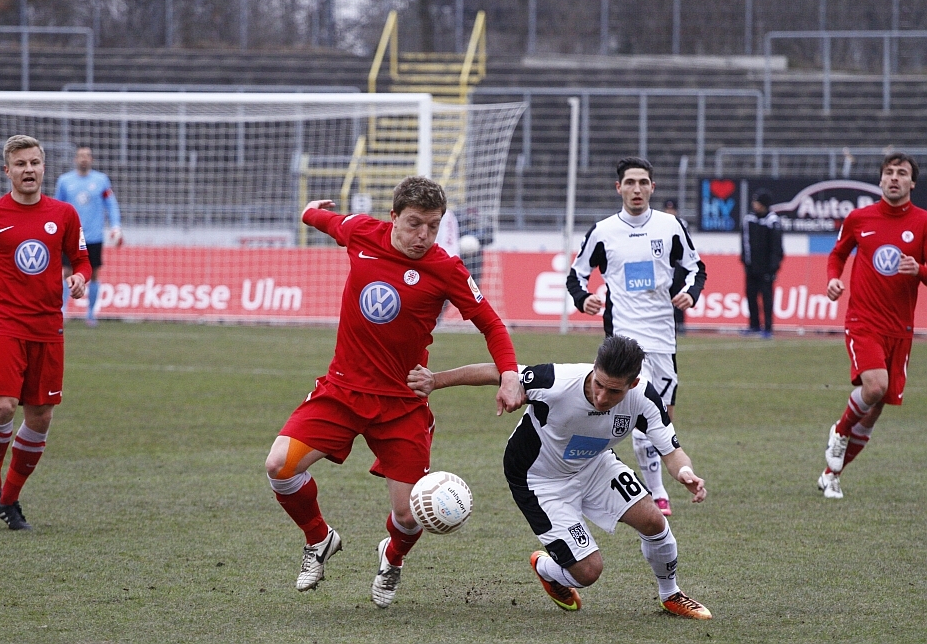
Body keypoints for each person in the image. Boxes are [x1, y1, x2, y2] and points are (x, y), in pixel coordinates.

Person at [263, 176, 526, 608]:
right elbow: (325, 220)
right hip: (342, 391)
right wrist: (309, 211)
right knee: (279, 467)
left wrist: (510, 374)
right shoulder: (363, 233)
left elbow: (492, 325)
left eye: (433, 226)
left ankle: (392, 558)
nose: (423, 235)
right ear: (393, 218)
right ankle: (319, 539)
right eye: (414, 224)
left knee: (409, 515)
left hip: (402, 405)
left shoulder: (446, 268)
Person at [406, 335, 711, 619]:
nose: (602, 397)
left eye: (614, 391)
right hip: (539, 479)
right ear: (594, 369)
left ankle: (671, 594)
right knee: (589, 572)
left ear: (633, 385)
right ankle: (546, 568)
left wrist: (685, 473)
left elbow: (672, 451)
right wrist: (435, 380)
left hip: (594, 465)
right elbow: (497, 372)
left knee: (654, 521)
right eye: (599, 384)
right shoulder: (556, 382)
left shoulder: (644, 398)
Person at [0, 134, 90, 531]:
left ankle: (10, 500)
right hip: (3, 323)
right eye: (21, 164)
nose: (29, 170)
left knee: (41, 416)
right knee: (4, 407)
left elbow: (81, 259)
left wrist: (80, 276)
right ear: (6, 170)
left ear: (43, 167)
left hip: (48, 325)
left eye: (35, 163)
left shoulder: (63, 214)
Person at [566, 157, 706, 517]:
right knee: (625, 409)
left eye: (643, 182)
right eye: (630, 182)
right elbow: (575, 276)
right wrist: (585, 299)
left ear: (652, 187)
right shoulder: (603, 232)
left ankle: (647, 482)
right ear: (619, 188)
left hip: (662, 336)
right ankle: (656, 491)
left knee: (661, 416)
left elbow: (695, 267)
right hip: (623, 338)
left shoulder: (670, 226)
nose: (637, 189)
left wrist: (691, 293)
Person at [820, 152, 927, 499]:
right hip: (863, 320)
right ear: (881, 180)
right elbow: (837, 254)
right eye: (889, 173)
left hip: (901, 329)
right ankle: (839, 430)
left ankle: (830, 475)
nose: (894, 178)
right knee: (875, 387)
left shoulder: (923, 222)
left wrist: (920, 271)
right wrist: (833, 280)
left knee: (875, 408)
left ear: (912, 182)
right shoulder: (859, 218)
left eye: (902, 173)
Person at [55, 146, 121, 327]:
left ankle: (91, 314)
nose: (84, 159)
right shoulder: (64, 181)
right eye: (80, 156)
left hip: (94, 236)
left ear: (91, 159)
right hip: (71, 236)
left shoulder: (101, 181)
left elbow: (111, 205)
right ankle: (62, 311)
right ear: (75, 159)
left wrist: (116, 226)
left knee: (94, 274)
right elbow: (56, 207)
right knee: (66, 272)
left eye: (87, 156)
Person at [741, 189, 783, 338]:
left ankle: (768, 328)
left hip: (766, 269)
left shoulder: (773, 222)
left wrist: (773, 267)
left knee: (766, 299)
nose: (754, 204)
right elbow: (745, 242)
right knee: (751, 296)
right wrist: (746, 262)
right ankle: (753, 326)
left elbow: (776, 247)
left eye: (757, 202)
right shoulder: (749, 220)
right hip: (751, 267)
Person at [663, 199, 689, 334]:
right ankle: (667, 323)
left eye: (672, 209)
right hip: (664, 264)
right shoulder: (659, 224)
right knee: (664, 295)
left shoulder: (681, 224)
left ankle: (680, 323)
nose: (669, 212)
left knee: (678, 294)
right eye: (667, 209)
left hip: (677, 264)